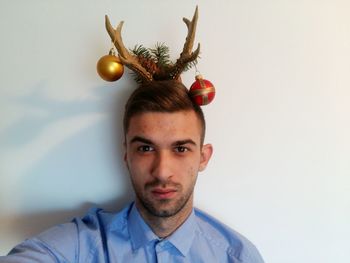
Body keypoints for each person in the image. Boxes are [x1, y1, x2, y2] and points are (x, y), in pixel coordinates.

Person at [0, 80, 264, 262]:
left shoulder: (236, 257)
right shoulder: (82, 245)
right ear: (126, 154)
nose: (162, 172)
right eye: (146, 149)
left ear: (203, 157)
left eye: (181, 149)